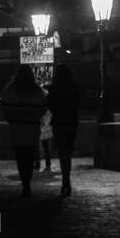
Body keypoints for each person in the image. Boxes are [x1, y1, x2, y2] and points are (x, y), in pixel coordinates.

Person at [0, 65, 48, 197]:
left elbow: (3, 107)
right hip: (32, 129)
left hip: (17, 128)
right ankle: (28, 182)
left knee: (20, 158)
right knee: (29, 157)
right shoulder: (37, 90)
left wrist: (12, 118)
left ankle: (24, 184)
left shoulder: (11, 89)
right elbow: (43, 108)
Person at [45, 64, 80, 196]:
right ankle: (67, 179)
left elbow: (49, 104)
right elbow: (78, 103)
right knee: (68, 153)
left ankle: (65, 181)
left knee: (62, 152)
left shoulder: (54, 88)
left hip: (59, 122)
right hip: (71, 122)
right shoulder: (74, 86)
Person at [38, 107, 54, 172]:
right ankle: (46, 164)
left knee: (45, 147)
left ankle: (42, 164)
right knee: (45, 147)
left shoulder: (47, 111)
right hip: (44, 129)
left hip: (43, 129)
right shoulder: (48, 111)